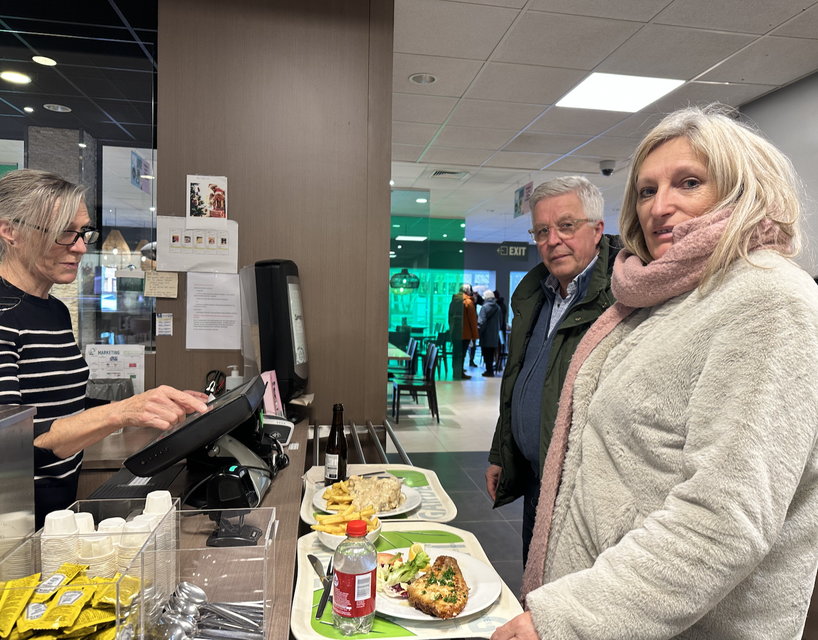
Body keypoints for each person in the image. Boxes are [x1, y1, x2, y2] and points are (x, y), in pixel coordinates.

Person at [492, 105, 818, 640]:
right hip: (611, 602)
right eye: (646, 191)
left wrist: (567, 619)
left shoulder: (768, 299)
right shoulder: (659, 296)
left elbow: (722, 520)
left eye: (688, 183)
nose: (659, 208)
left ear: (743, 189)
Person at [0, 169, 209, 527]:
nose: (81, 246)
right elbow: (10, 447)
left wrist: (150, 407)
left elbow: (65, 406)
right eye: (64, 233)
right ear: (10, 231)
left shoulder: (54, 311)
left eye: (83, 233)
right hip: (11, 523)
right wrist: (122, 413)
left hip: (55, 516)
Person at [486, 176, 619, 564]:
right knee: (535, 583)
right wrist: (502, 453)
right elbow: (519, 382)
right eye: (542, 230)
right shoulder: (535, 296)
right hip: (536, 480)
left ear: (597, 230)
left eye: (566, 225)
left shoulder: (621, 299)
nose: (553, 240)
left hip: (583, 492)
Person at [448, 283, 478, 380]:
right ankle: (460, 372)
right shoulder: (468, 302)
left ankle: (455, 372)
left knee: (455, 353)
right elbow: (472, 320)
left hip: (454, 332)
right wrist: (475, 335)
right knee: (462, 354)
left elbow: (449, 317)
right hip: (465, 333)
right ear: (467, 291)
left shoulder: (454, 301)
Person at [477, 290, 502, 377]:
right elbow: (501, 321)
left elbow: (481, 322)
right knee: (491, 353)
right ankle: (490, 370)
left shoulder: (485, 307)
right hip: (494, 335)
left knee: (486, 353)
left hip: (486, 335)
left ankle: (489, 371)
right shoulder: (498, 307)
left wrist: (478, 332)